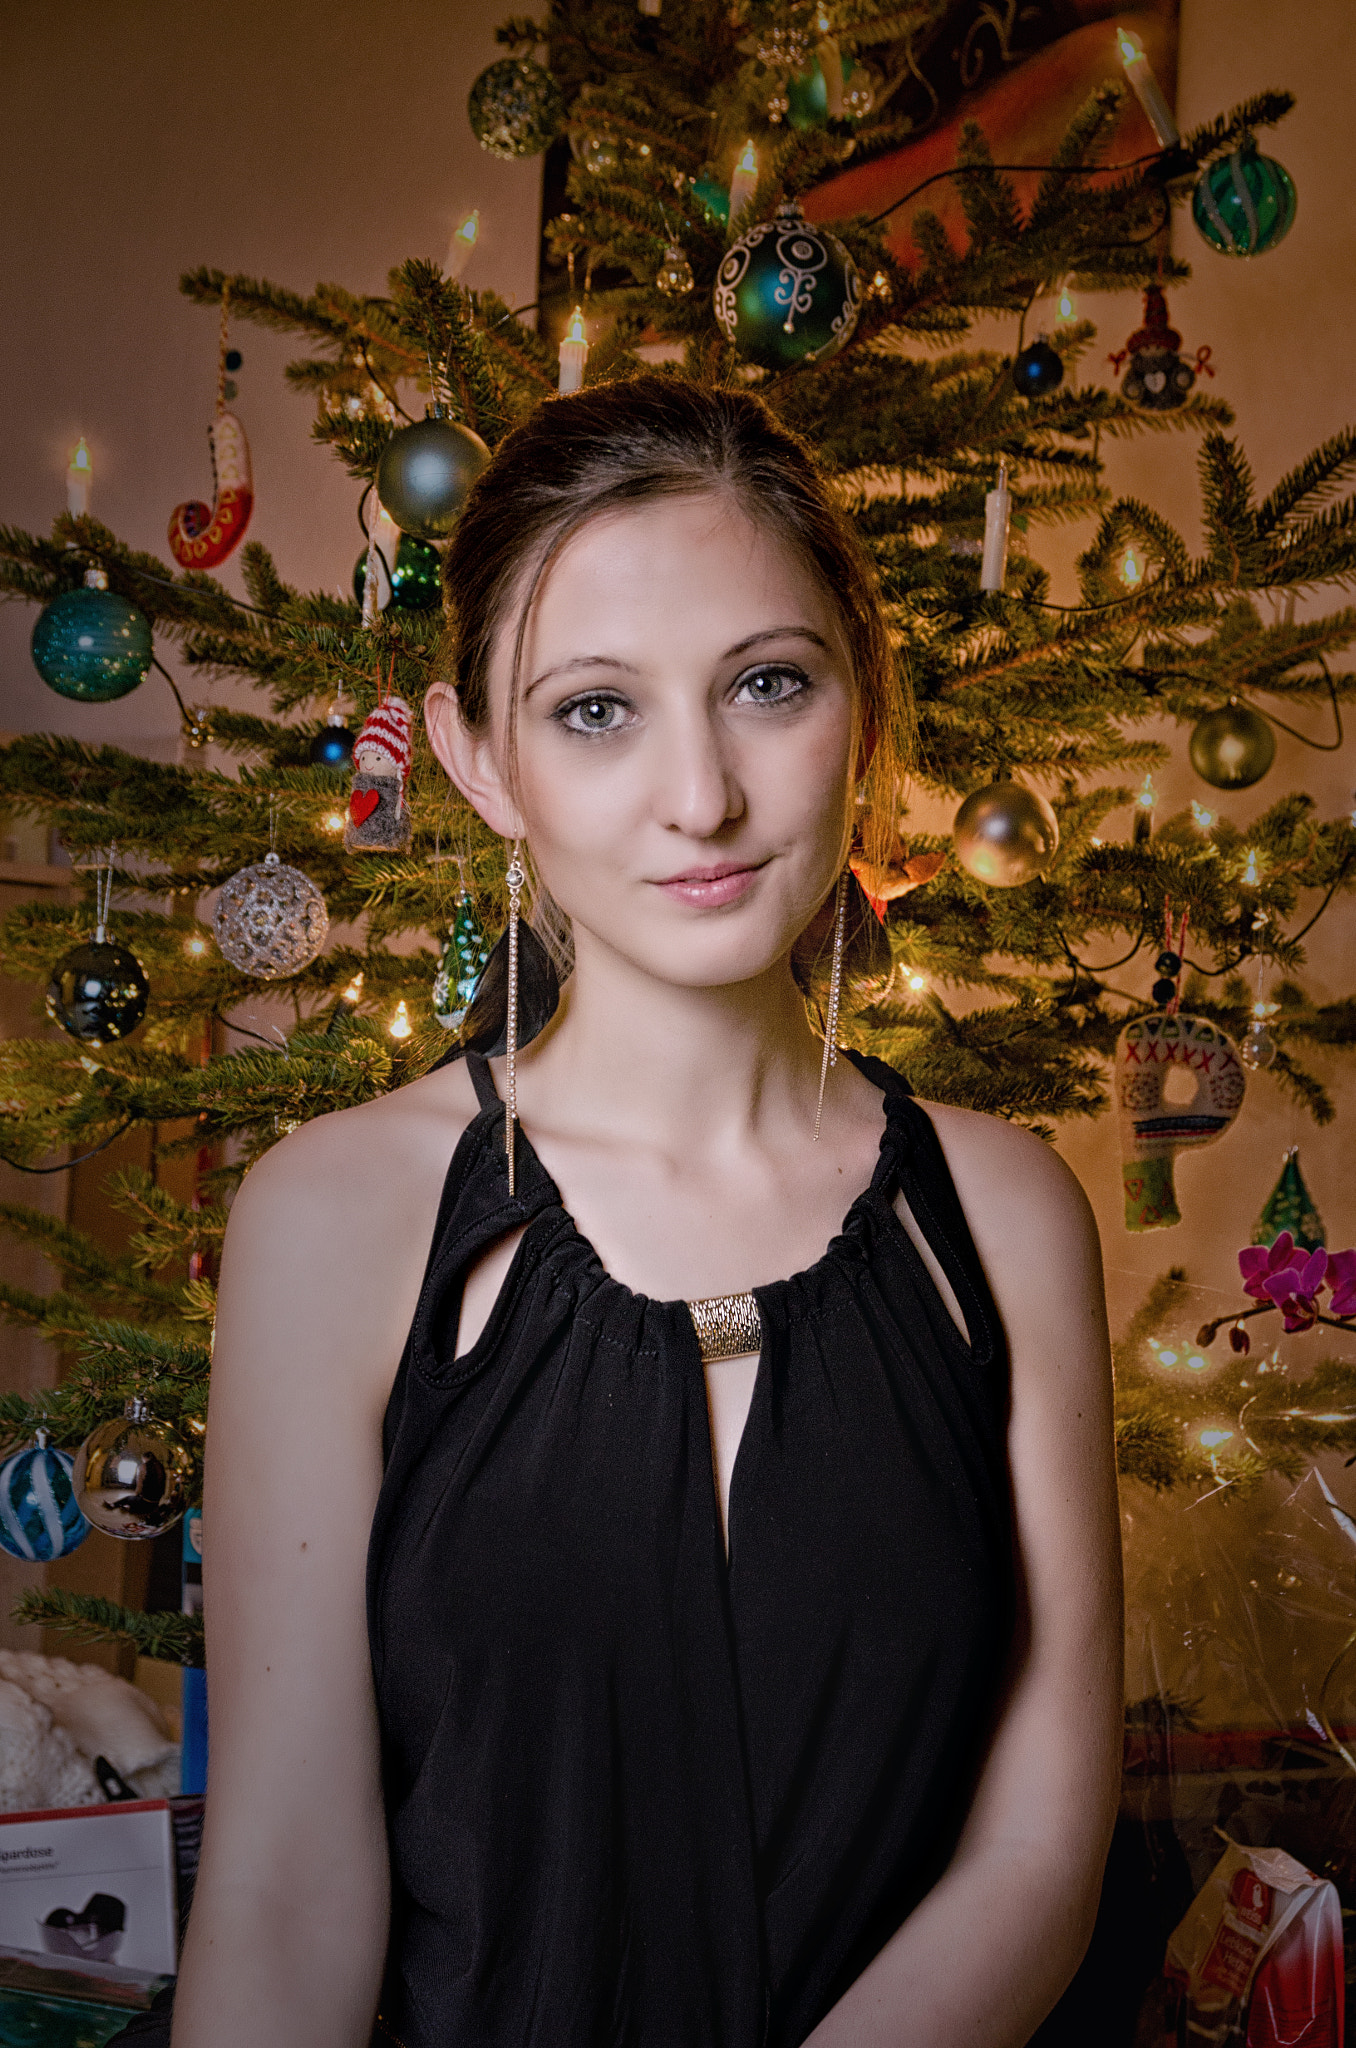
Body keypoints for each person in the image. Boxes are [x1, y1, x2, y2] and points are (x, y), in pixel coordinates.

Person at [172, 377, 1122, 2048]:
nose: (704, 795)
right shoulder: (330, 1217)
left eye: (766, 685)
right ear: (474, 758)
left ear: (862, 703)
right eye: (596, 710)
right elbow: (281, 1891)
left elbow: (1039, 1851)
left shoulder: (1004, 1215)